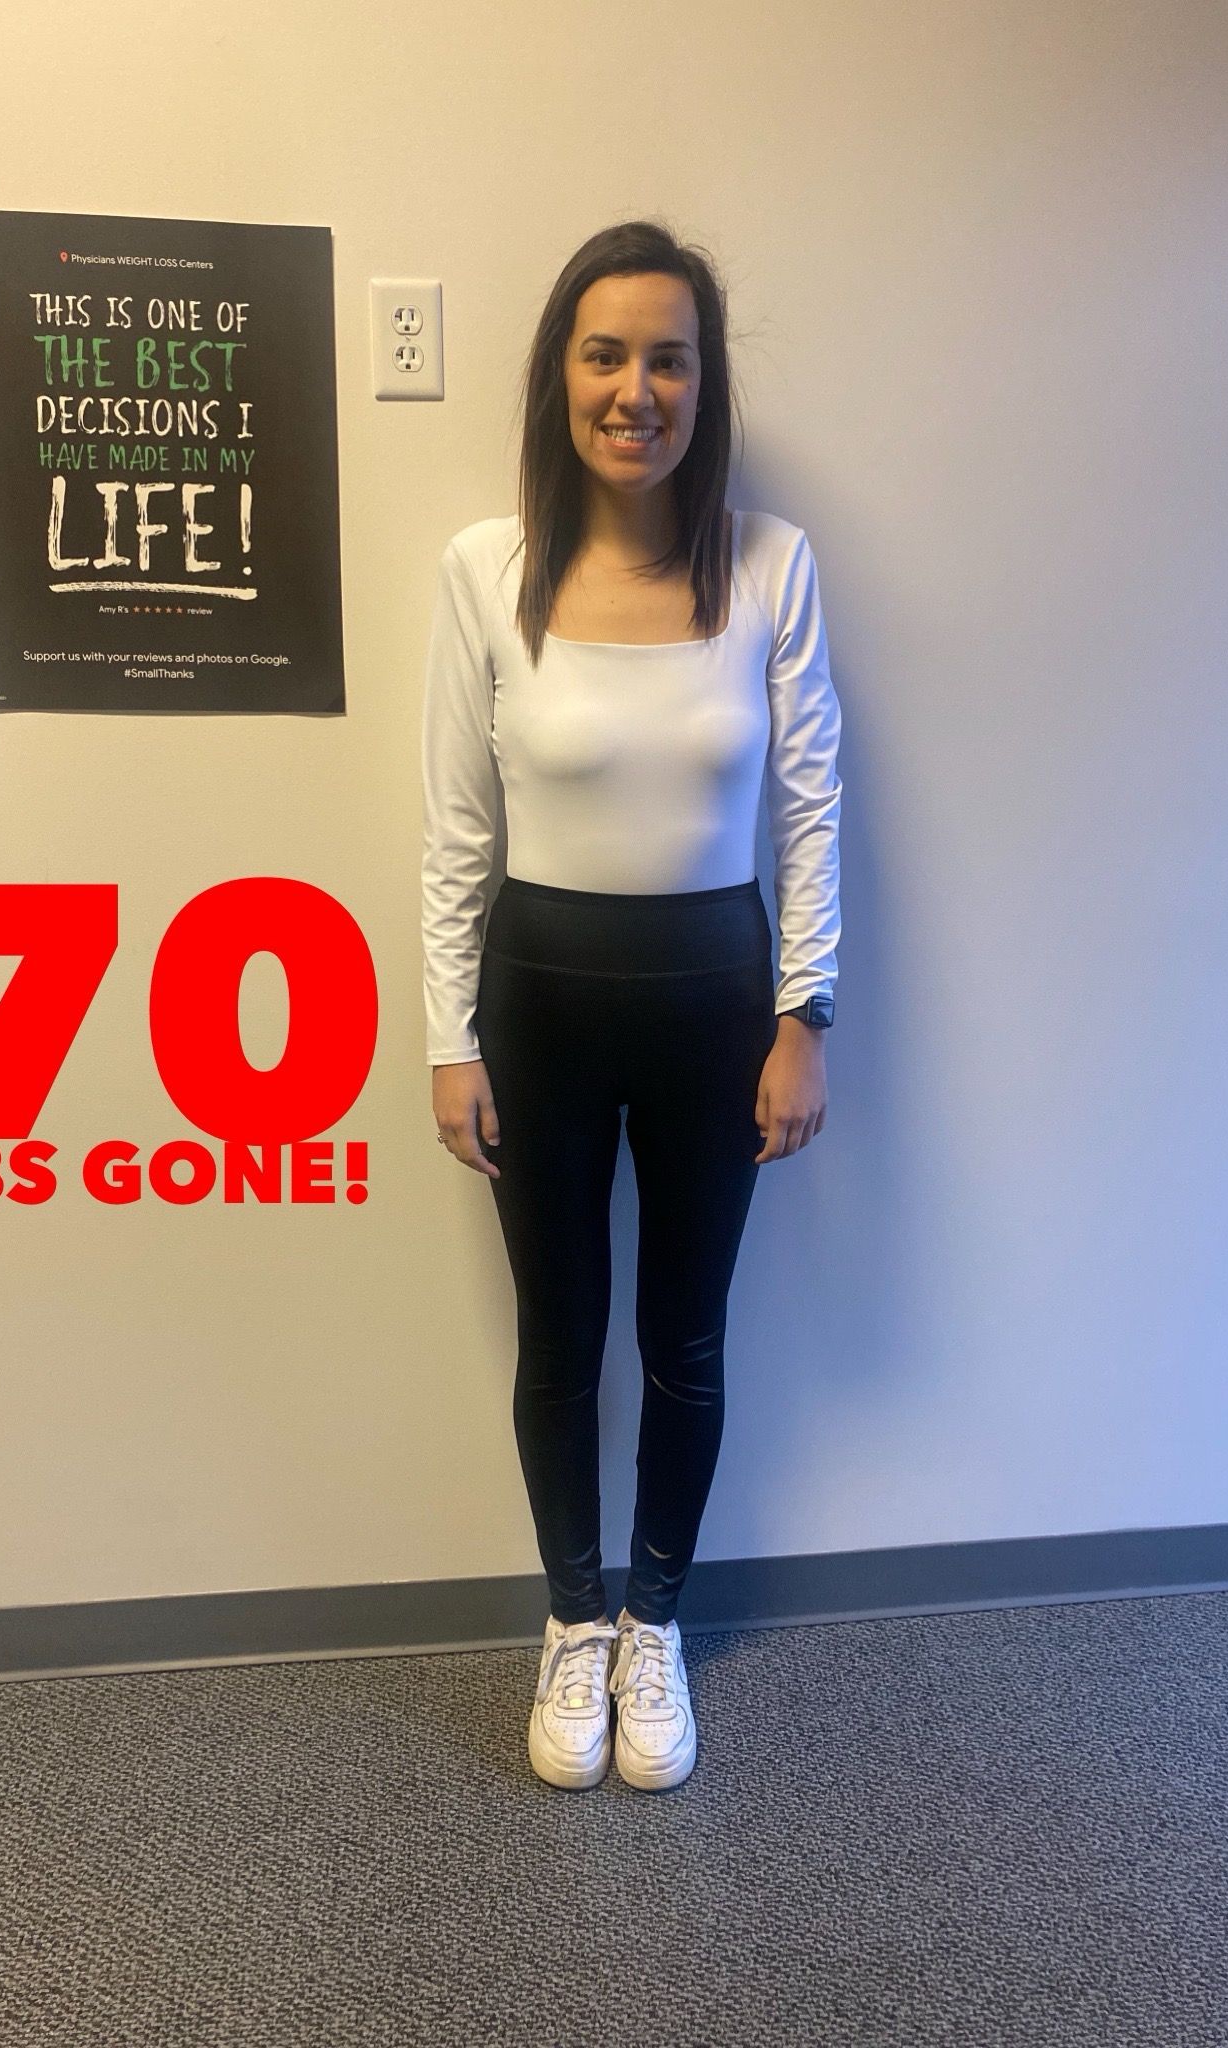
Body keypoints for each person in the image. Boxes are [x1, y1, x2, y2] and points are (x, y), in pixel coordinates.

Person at [420, 219, 842, 1793]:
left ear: (703, 382)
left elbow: (810, 803)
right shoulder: (486, 568)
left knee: (685, 1336)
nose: (637, 389)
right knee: (562, 1337)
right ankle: (570, 1618)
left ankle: (654, 1622)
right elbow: (456, 826)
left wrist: (807, 1013)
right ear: (561, 375)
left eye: (670, 357)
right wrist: (448, 1039)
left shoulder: (770, 564)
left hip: (714, 1003)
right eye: (607, 354)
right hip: (535, 998)